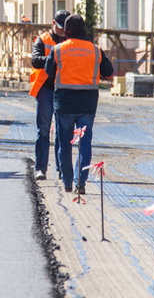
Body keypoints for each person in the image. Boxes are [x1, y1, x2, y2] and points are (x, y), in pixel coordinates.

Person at [45, 14, 114, 194]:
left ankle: (67, 182)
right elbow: (109, 72)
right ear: (84, 30)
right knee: (85, 144)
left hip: (64, 104)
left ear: (66, 31)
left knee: (64, 144)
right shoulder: (96, 50)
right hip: (87, 105)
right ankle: (80, 182)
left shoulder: (58, 50)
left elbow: (48, 72)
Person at [29, 10, 70, 181]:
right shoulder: (43, 40)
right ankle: (40, 168)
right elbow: (35, 60)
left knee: (62, 131)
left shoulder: (70, 41)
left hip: (63, 89)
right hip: (45, 89)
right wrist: (54, 59)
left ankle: (61, 170)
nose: (62, 31)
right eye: (60, 27)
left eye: (65, 28)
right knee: (43, 130)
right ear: (53, 23)